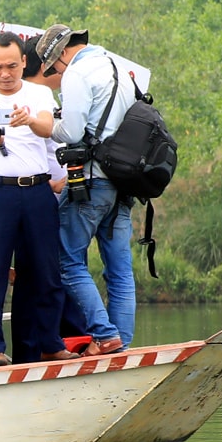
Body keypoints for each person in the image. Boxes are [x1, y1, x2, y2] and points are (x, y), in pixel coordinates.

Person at [0, 31, 74, 366]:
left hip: (37, 190)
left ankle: (49, 341)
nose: (5, 73)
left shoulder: (39, 93)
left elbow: (50, 129)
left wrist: (28, 120)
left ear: (25, 62)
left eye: (11, 65)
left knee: (45, 270)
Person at [34, 24, 138, 353]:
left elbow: (72, 131)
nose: (57, 72)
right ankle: (120, 343)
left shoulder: (77, 74)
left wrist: (49, 125)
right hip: (124, 184)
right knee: (120, 267)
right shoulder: (118, 68)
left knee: (67, 260)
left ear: (63, 53)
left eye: (55, 66)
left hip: (92, 181)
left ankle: (105, 334)